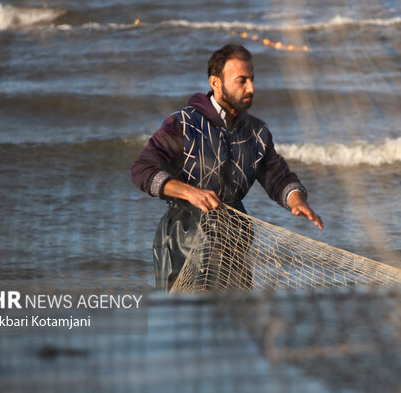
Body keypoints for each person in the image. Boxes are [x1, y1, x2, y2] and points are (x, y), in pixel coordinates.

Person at [131, 43, 323, 291]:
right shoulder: (183, 123)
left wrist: (296, 200)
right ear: (215, 83)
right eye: (242, 80)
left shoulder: (257, 132)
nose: (251, 88)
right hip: (184, 240)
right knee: (188, 322)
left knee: (233, 322)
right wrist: (190, 192)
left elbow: (278, 176)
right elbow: (142, 168)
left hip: (234, 238)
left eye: (252, 79)